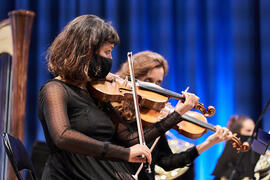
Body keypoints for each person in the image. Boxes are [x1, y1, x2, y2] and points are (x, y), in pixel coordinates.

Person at [39, 15, 200, 180]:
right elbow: (62, 136)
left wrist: (176, 115)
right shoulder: (54, 89)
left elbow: (131, 139)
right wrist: (125, 154)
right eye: (107, 52)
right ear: (87, 51)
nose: (110, 59)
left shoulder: (95, 93)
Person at [115, 51, 234, 180]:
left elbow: (167, 162)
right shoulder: (116, 110)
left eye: (158, 83)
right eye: (148, 80)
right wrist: (176, 115)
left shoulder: (154, 116)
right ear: (133, 76)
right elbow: (128, 141)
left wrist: (209, 142)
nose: (154, 88)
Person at [212, 115, 260, 180]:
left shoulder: (255, 148)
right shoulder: (232, 148)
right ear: (238, 132)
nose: (253, 134)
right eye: (248, 131)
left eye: (254, 131)